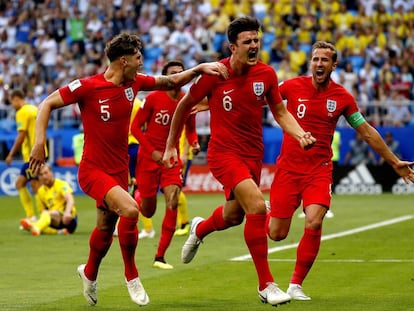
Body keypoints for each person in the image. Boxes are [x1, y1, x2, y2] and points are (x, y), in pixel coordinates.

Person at [29, 32, 228, 307]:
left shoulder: (133, 84)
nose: (142, 62)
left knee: (105, 225)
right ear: (124, 60)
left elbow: (170, 81)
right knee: (132, 210)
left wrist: (199, 69)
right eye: (138, 58)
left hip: (119, 171)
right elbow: (46, 104)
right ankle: (132, 276)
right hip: (92, 170)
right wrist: (39, 142)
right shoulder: (88, 86)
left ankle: (89, 273)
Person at [162, 16, 315, 306]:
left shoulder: (267, 75)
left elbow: (281, 113)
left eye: (257, 40)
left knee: (235, 216)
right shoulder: (215, 73)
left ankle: (199, 228)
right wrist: (172, 145)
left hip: (252, 154)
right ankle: (265, 284)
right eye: (248, 41)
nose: (254, 45)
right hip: (223, 153)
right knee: (257, 206)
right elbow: (184, 105)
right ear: (233, 47)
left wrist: (300, 134)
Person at [267, 41, 414, 301]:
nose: (319, 64)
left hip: (319, 170)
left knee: (314, 220)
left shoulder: (343, 98)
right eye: (315, 59)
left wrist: (394, 162)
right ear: (310, 62)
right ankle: (264, 207)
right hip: (288, 169)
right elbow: (260, 100)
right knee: (277, 234)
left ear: (334, 65)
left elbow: (366, 131)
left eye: (325, 60)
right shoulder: (290, 86)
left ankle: (295, 285)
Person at [131, 60, 201, 270]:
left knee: (172, 200)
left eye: (182, 72)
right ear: (165, 78)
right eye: (174, 73)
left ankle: (160, 257)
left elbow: (190, 129)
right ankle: (137, 194)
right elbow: (135, 128)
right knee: (148, 210)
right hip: (148, 159)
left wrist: (195, 142)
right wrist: (152, 152)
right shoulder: (153, 98)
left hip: (171, 159)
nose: (179, 76)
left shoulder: (188, 101)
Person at [6, 89, 47, 225]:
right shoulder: (34, 109)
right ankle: (38, 216)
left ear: (16, 99)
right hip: (41, 151)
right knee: (26, 183)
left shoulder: (22, 112)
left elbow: (21, 135)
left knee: (34, 185)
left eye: (12, 102)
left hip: (31, 155)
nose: (12, 105)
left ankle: (41, 217)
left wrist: (11, 154)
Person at [20, 163, 77, 236]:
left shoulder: (61, 184)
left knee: (45, 215)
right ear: (39, 178)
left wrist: (67, 212)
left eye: (46, 173)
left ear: (51, 173)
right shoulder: (40, 191)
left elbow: (70, 199)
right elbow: (42, 211)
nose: (44, 176)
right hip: (53, 220)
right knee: (44, 215)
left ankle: (35, 226)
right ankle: (59, 232)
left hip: (67, 219)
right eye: (41, 174)